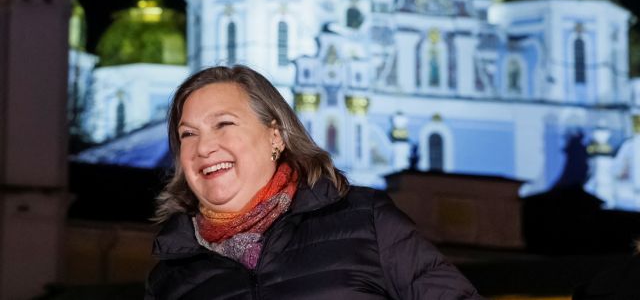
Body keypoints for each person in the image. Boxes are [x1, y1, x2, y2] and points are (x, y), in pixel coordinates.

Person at [145, 65, 483, 299]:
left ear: (275, 135)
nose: (204, 147)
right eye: (188, 134)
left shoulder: (365, 220)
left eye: (224, 124)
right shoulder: (170, 279)